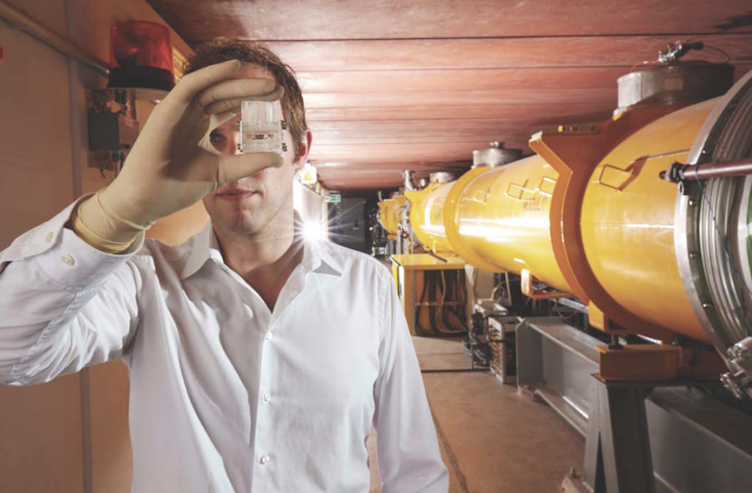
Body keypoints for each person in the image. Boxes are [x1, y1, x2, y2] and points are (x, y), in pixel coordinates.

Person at [0, 39, 449, 492]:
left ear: (300, 150)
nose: (234, 164)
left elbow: (416, 472)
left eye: (258, 136)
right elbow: (9, 353)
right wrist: (115, 213)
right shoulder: (145, 281)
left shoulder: (366, 285)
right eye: (213, 139)